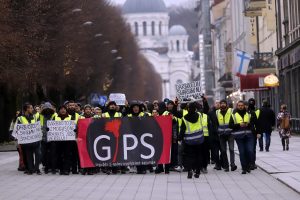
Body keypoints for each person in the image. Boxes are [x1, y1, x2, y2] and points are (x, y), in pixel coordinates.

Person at [179, 102, 204, 179]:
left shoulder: (184, 118)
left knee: (189, 156)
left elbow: (182, 131)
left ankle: (190, 170)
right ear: (195, 109)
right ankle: (198, 172)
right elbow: (203, 109)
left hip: (189, 141)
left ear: (188, 109)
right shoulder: (199, 115)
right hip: (199, 139)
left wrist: (179, 139)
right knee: (198, 155)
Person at [229, 101, 255, 174]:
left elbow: (253, 124)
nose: (240, 106)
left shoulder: (248, 114)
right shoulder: (233, 115)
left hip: (249, 136)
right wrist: (239, 125)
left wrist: (248, 124)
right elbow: (230, 125)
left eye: (242, 105)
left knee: (250, 151)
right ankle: (244, 168)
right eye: (239, 105)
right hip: (239, 136)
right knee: (242, 152)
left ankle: (249, 164)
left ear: (244, 106)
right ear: (237, 106)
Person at [17, 103, 41, 175]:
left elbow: (38, 125)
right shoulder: (20, 118)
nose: (32, 109)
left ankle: (36, 168)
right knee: (29, 155)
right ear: (27, 109)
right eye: (30, 108)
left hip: (36, 140)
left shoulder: (35, 116)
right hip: (27, 141)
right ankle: (31, 169)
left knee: (38, 154)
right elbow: (19, 129)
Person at [127, 101, 150, 174]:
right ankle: (138, 168)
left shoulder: (144, 114)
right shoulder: (129, 116)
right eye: (134, 107)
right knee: (136, 153)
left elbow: (150, 121)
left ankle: (144, 168)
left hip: (143, 137)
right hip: (133, 137)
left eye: (137, 107)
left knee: (143, 152)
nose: (136, 109)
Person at [216, 99, 237, 172]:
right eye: (221, 103)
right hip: (221, 134)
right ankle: (226, 166)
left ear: (226, 104)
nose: (222, 105)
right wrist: (217, 130)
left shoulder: (231, 111)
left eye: (224, 103)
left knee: (231, 149)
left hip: (230, 134)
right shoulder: (217, 112)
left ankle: (233, 164)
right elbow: (216, 123)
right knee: (223, 151)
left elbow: (235, 120)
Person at [54, 105, 73, 175]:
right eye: (61, 109)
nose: (63, 110)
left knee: (67, 155)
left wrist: (74, 129)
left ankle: (66, 169)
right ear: (59, 110)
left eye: (64, 109)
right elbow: (51, 126)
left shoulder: (70, 117)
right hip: (58, 141)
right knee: (59, 155)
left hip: (68, 141)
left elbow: (74, 126)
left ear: (66, 110)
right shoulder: (55, 117)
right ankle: (61, 169)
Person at [39, 102, 56, 174]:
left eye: (49, 109)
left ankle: (53, 168)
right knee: (44, 154)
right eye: (46, 109)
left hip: (52, 138)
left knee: (53, 154)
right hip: (43, 138)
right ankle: (46, 167)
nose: (47, 110)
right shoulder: (40, 117)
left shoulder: (55, 116)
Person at [67, 100, 81, 174]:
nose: (72, 106)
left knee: (75, 154)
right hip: (67, 138)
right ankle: (68, 168)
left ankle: (75, 169)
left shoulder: (78, 116)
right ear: (68, 107)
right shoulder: (65, 115)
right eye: (70, 105)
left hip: (76, 138)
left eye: (73, 105)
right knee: (68, 154)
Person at [208, 100, 222, 170]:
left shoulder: (223, 112)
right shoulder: (210, 113)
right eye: (217, 103)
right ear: (214, 104)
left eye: (219, 103)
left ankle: (222, 163)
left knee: (223, 151)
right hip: (214, 135)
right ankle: (218, 164)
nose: (218, 104)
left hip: (222, 135)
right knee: (215, 152)